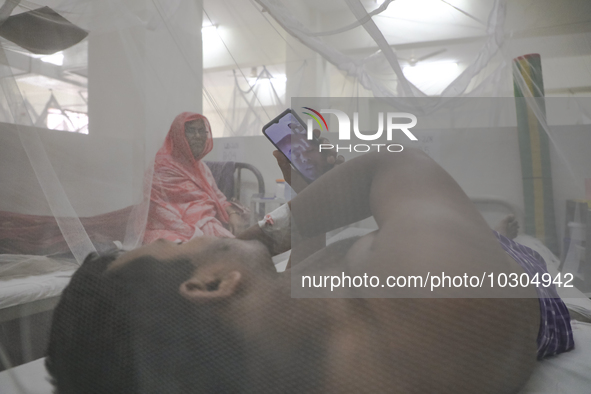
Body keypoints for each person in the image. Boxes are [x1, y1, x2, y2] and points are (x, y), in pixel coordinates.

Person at [46, 148, 573, 394]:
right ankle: (501, 229)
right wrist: (265, 234)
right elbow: (395, 165)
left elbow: (293, 300)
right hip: (502, 274)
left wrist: (304, 196)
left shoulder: (279, 358)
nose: (201, 235)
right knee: (502, 236)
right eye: (182, 242)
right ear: (209, 283)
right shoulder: (431, 288)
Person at [143, 112, 246, 243]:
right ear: (178, 135)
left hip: (206, 227)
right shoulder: (160, 168)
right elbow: (159, 210)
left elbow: (218, 197)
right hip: (171, 230)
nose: (198, 136)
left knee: (240, 249)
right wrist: (195, 235)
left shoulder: (201, 167)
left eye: (202, 131)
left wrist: (233, 214)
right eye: (191, 131)